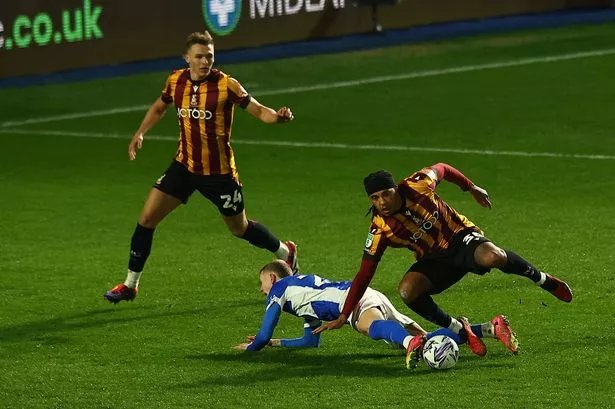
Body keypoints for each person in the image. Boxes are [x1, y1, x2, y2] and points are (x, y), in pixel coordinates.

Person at [104, 31, 297, 303]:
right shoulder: (175, 81)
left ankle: (285, 252)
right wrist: (141, 132)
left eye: (209, 56)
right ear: (187, 58)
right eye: (199, 56)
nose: (205, 61)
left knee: (239, 228)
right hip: (184, 166)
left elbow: (258, 110)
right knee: (147, 219)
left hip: (219, 174)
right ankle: (130, 285)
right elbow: (159, 107)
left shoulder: (226, 85)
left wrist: (278, 118)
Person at [314, 162, 572, 352]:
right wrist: (343, 314)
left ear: (395, 189)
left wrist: (470, 187)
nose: (381, 201)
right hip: (435, 260)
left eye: (385, 194)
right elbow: (365, 273)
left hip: (461, 237)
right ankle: (460, 330)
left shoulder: (419, 184)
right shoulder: (380, 229)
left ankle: (544, 280)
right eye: (374, 197)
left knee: (492, 257)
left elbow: (444, 168)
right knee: (407, 291)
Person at [234, 260, 518, 368]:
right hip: (369, 294)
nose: (262, 291)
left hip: (354, 301)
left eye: (261, 284)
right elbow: (311, 341)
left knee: (371, 328)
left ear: (271, 278)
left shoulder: (279, 289)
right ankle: (488, 328)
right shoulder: (299, 297)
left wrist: (253, 347)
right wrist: (276, 344)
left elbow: (262, 333)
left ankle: (410, 344)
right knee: (426, 338)